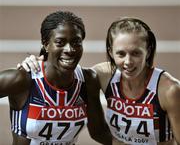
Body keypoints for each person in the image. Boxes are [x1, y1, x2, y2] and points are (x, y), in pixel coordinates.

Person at [21, 17, 180, 145]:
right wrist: (35, 63)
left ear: (149, 50)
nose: (128, 62)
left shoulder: (168, 90)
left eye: (136, 53)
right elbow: (62, 69)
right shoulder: (103, 75)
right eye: (121, 54)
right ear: (110, 52)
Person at [0, 10, 112, 145]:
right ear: (46, 44)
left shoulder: (88, 80)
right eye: (60, 42)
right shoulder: (22, 79)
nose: (70, 49)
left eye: (76, 42)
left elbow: (99, 132)